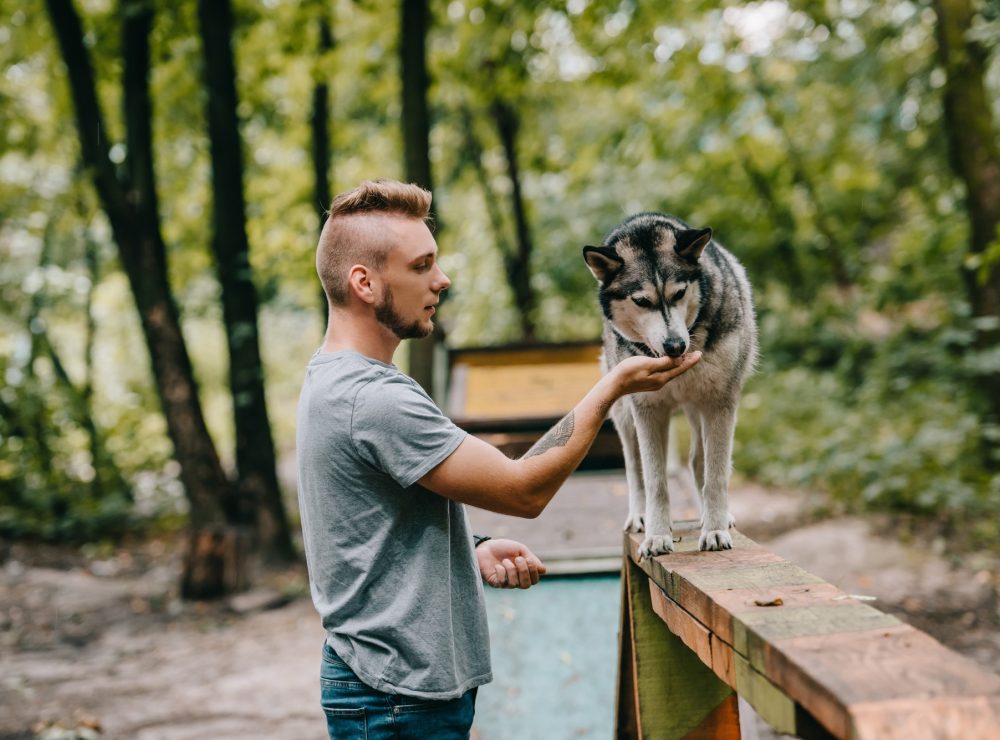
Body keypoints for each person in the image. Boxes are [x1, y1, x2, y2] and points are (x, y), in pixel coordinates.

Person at [296, 179, 701, 739]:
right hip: (395, 700)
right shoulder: (373, 398)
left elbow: (368, 527)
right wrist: (612, 385)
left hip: (394, 690)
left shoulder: (338, 379)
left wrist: (473, 548)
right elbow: (522, 490)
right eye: (421, 266)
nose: (442, 279)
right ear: (364, 283)